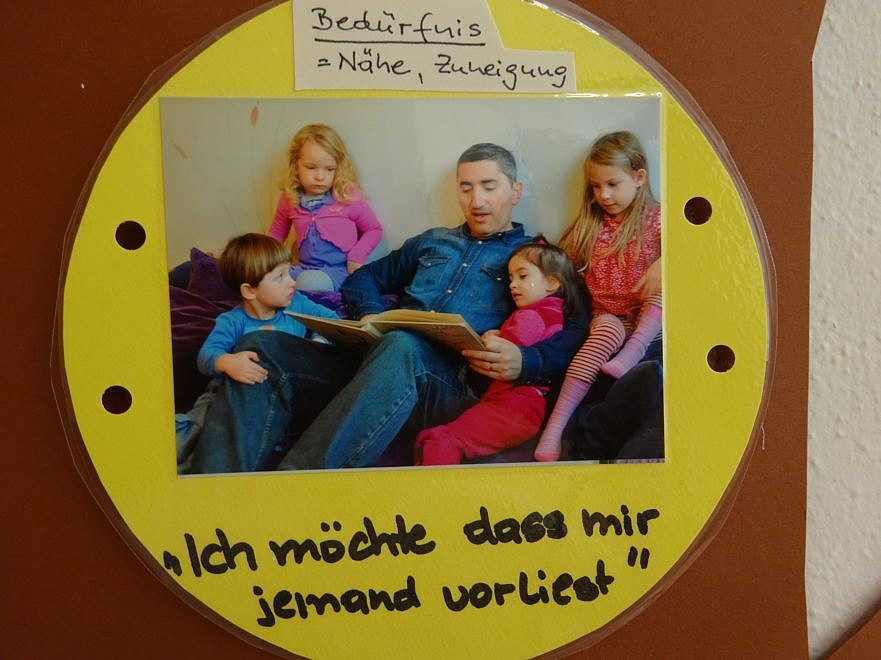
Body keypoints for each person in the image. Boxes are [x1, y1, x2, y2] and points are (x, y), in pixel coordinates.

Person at [186, 143, 589, 474]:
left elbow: (577, 324)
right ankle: (214, 494)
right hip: (376, 365)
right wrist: (369, 316)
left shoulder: (534, 259)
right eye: (466, 188)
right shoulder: (433, 241)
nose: (477, 200)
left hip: (447, 385)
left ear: (515, 192)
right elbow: (365, 279)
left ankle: (300, 484)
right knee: (261, 345)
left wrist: (527, 361)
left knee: (402, 346)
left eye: (489, 186)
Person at [534, 131, 662, 462]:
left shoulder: (658, 219)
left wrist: (665, 262)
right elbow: (561, 264)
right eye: (596, 186)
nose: (603, 195)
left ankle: (634, 351)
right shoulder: (591, 225)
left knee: (664, 287)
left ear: (639, 177)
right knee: (603, 334)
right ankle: (554, 429)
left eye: (613, 184)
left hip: (649, 317)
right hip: (609, 316)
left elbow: (696, 247)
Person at [413, 241, 585, 465]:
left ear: (552, 282)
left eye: (523, 276)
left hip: (514, 405)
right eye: (511, 278)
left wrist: (486, 341)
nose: (513, 285)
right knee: (433, 438)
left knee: (441, 440)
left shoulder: (531, 315)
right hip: (524, 406)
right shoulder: (554, 312)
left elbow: (506, 350)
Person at [181, 233, 340, 472]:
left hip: (281, 390)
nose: (292, 282)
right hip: (233, 388)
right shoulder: (232, 321)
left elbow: (331, 319)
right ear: (249, 291)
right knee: (198, 425)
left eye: (290, 272)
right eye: (280, 277)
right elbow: (206, 355)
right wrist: (226, 362)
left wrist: (319, 339)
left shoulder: (297, 304)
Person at [266, 124, 384, 291]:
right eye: (311, 167)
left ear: (338, 168)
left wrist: (356, 257)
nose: (320, 176)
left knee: (309, 283)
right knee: (264, 279)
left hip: (338, 272)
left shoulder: (348, 195)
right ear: (295, 164)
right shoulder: (289, 197)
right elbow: (276, 234)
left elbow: (374, 229)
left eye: (329, 169)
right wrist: (265, 262)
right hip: (303, 268)